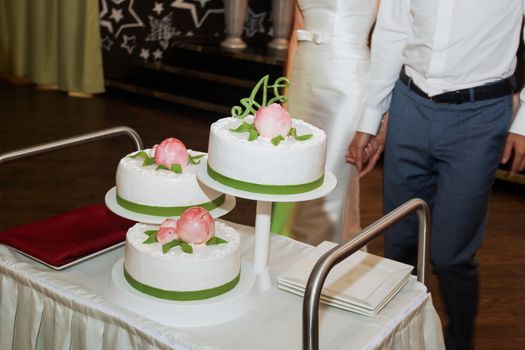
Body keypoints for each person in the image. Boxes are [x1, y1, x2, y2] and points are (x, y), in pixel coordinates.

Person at [347, 1, 525, 349]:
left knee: (451, 255)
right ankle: (398, 338)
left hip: (482, 115)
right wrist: (371, 117)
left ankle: (460, 341)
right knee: (399, 243)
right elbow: (392, 32)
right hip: (410, 105)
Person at [271, 0, 379, 245]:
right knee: (295, 170)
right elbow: (295, 32)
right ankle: (285, 249)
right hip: (303, 76)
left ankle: (329, 259)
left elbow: (388, 39)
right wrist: (286, 97)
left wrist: (379, 114)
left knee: (332, 174)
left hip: (348, 80)